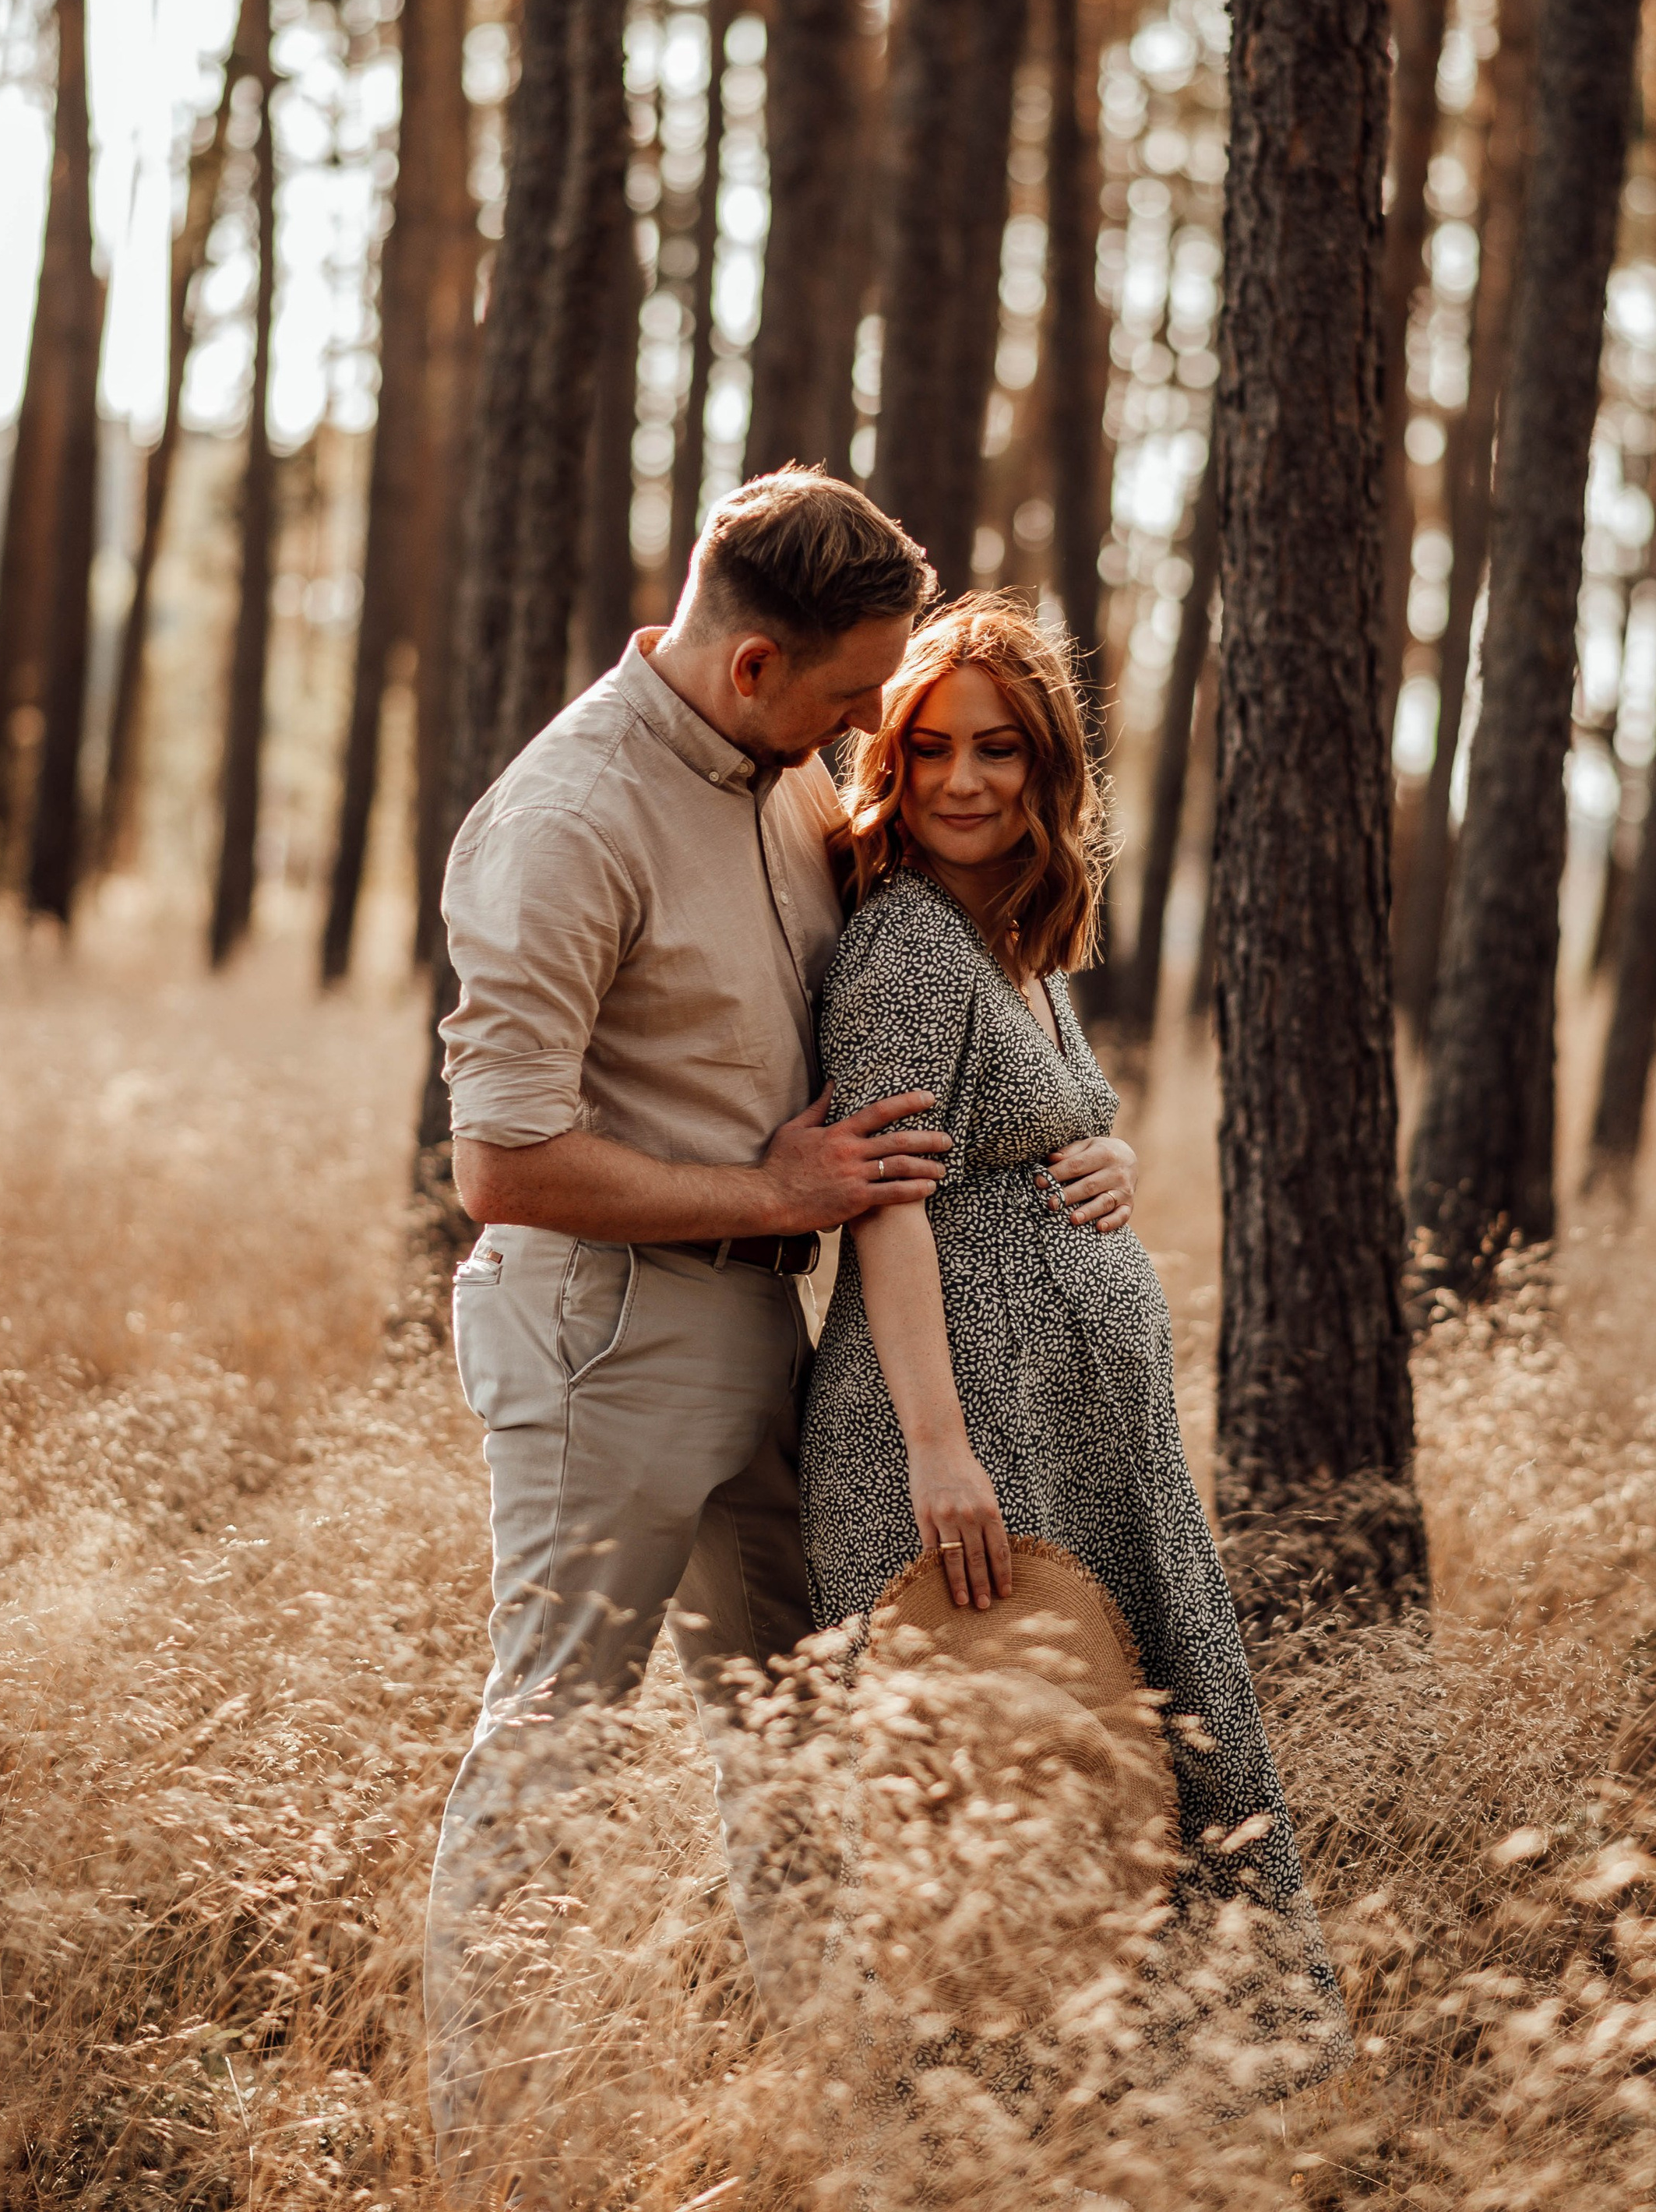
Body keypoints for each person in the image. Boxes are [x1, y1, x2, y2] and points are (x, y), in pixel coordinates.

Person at [425, 474, 1136, 2186]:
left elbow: (944, 971)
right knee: (553, 1727)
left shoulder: (777, 778)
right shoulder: (564, 822)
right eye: (844, 701)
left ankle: (824, 2101)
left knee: (805, 1724)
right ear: (754, 671)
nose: (862, 737)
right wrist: (778, 1191)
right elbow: (499, 1166)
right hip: (601, 1341)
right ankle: (478, 2140)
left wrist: (1067, 1127)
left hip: (774, 1337)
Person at [800, 594, 1349, 2059]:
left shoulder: (1013, 946)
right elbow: (889, 1203)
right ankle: (992, 2120)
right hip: (973, 1439)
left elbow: (1015, 1137)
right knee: (998, 1788)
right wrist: (938, 1449)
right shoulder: (911, 943)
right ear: (893, 766)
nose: (965, 780)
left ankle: (1143, 2104)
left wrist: (1102, 1157)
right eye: (929, 750)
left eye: (1001, 749)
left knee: (1103, 1773)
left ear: (1051, 770)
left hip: (1075, 1438)